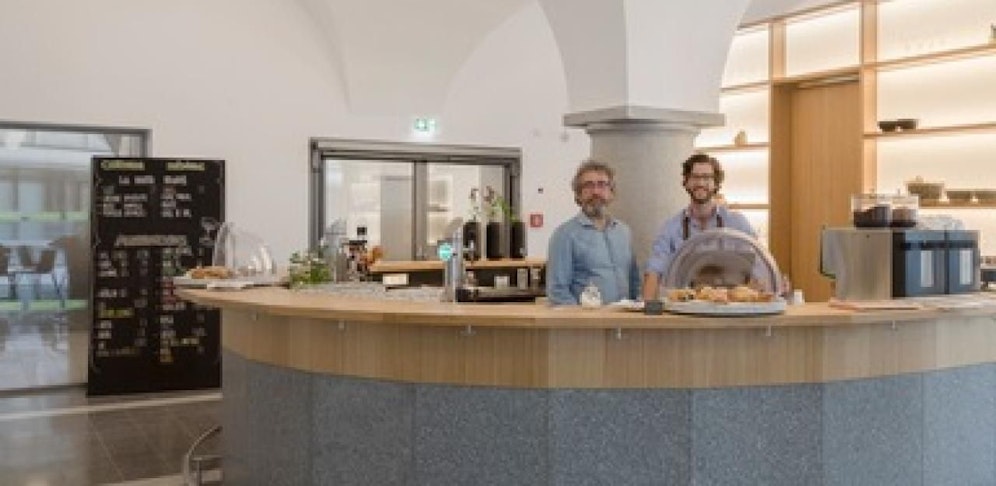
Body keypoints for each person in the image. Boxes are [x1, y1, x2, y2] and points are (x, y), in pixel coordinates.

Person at [642, 153, 757, 301]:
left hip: (730, 308)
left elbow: (757, 267)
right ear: (686, 182)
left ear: (716, 183)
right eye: (695, 177)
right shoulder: (671, 227)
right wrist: (648, 307)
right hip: (685, 308)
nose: (701, 183)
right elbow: (654, 271)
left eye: (707, 177)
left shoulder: (738, 223)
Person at [546, 159, 640, 305]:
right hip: (584, 319)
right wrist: (582, 318)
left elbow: (634, 281)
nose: (596, 192)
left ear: (611, 193)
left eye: (602, 185)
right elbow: (558, 291)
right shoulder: (564, 235)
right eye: (588, 185)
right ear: (578, 194)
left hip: (622, 317)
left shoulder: (623, 232)